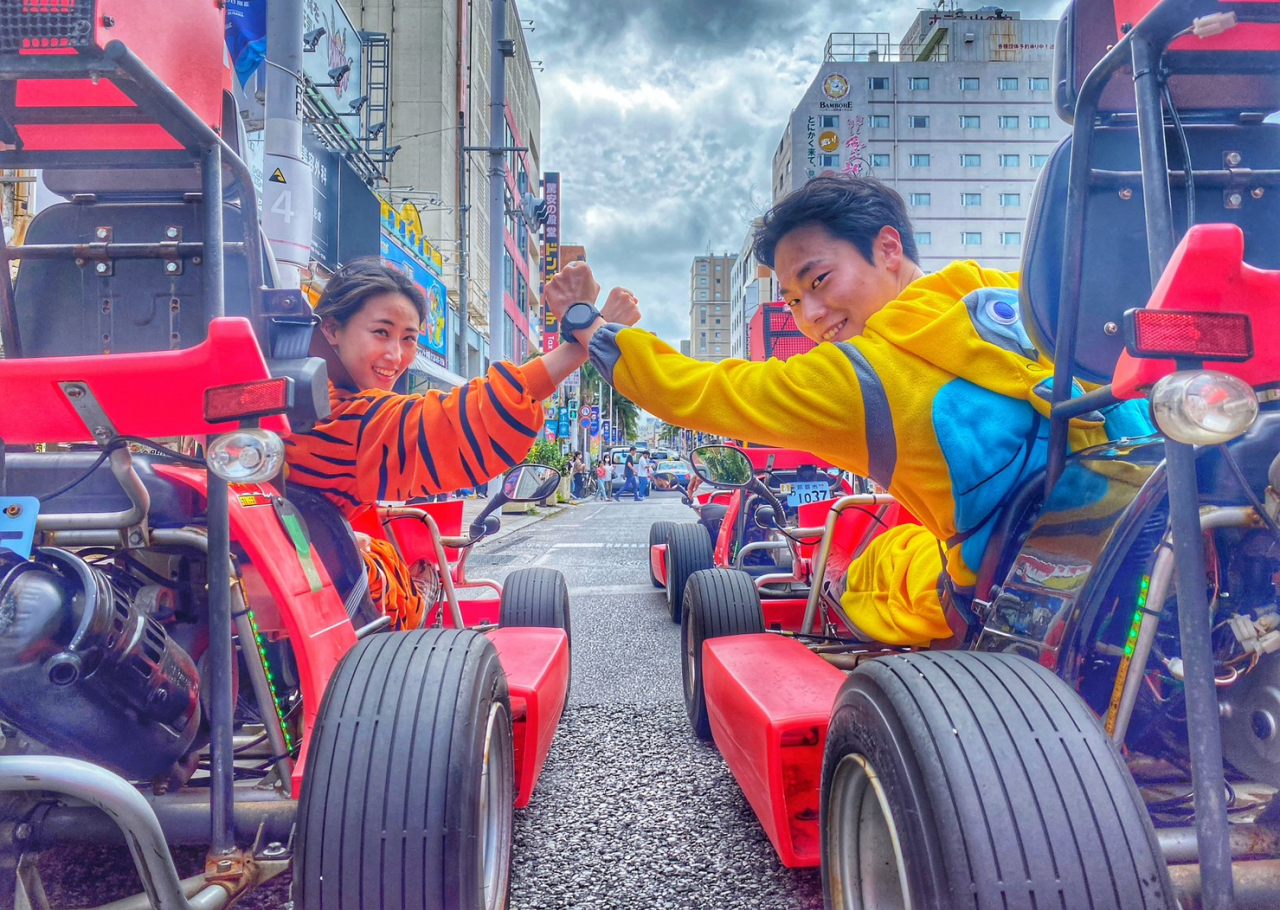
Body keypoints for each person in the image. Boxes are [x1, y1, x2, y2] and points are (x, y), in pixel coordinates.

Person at [545, 174, 1150, 646]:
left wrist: (586, 324)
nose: (809, 316)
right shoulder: (1008, 296)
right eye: (792, 299)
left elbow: (691, 388)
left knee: (861, 568)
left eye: (819, 280)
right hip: (1140, 532)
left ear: (888, 247)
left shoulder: (860, 379)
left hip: (1011, 592)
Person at [286, 255, 595, 630]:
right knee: (400, 574)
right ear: (332, 329)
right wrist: (580, 340)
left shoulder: (279, 392)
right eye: (381, 332)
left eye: (408, 339)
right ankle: (423, 595)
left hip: (273, 565)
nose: (395, 356)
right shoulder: (344, 415)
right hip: (322, 605)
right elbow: (461, 422)